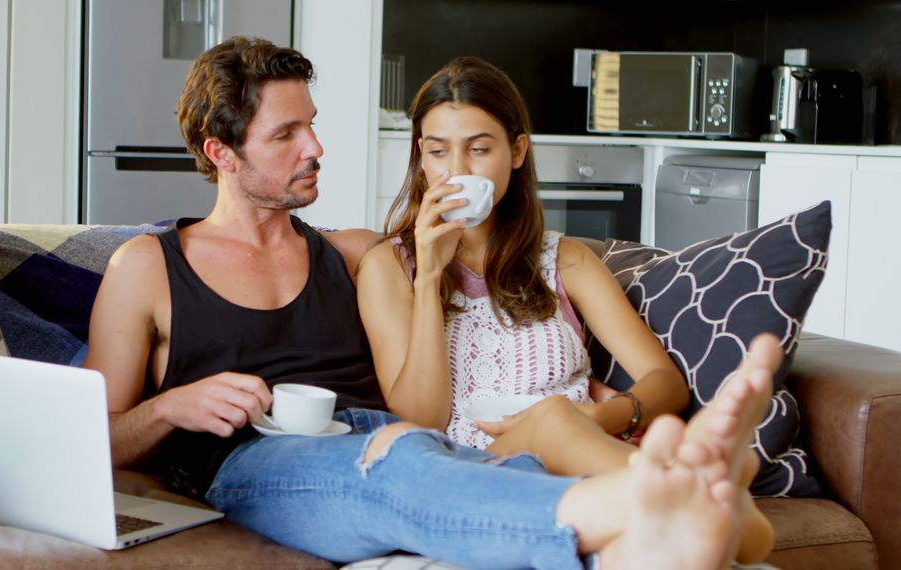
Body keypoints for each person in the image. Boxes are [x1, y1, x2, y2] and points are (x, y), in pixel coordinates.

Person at [82, 35, 778, 568]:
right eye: (287, 134)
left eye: (313, 124)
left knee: (476, 466)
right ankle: (658, 495)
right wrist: (170, 406)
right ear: (223, 153)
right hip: (256, 463)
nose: (317, 146)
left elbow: (440, 361)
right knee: (399, 467)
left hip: (398, 440)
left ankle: (668, 532)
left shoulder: (352, 253)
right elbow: (85, 443)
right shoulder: (148, 268)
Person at [354, 56, 773, 562]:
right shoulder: (390, 268)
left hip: (581, 457)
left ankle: (678, 505)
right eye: (439, 151)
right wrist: (431, 276)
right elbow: (418, 418)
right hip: (471, 471)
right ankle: (696, 497)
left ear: (517, 151)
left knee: (558, 420)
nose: (457, 171)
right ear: (421, 155)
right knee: (551, 417)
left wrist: (603, 415)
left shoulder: (566, 260)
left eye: (479, 149)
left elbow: (663, 380)